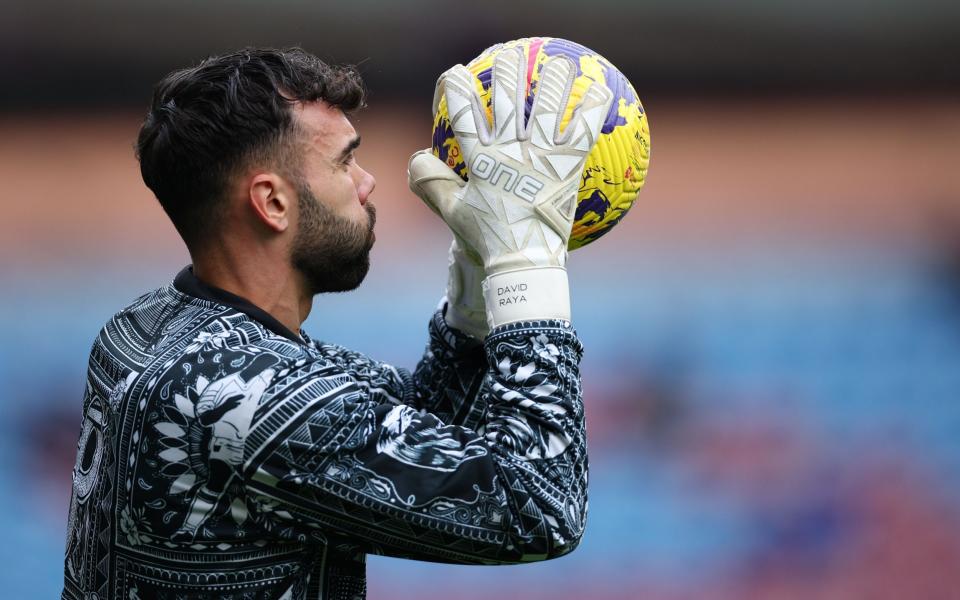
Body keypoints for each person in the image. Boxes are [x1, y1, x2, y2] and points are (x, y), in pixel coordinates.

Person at [61, 45, 613, 600]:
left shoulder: (139, 329)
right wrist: (527, 265)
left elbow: (419, 427)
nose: (367, 182)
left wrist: (476, 291)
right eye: (345, 161)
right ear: (272, 202)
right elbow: (541, 506)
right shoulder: (265, 402)